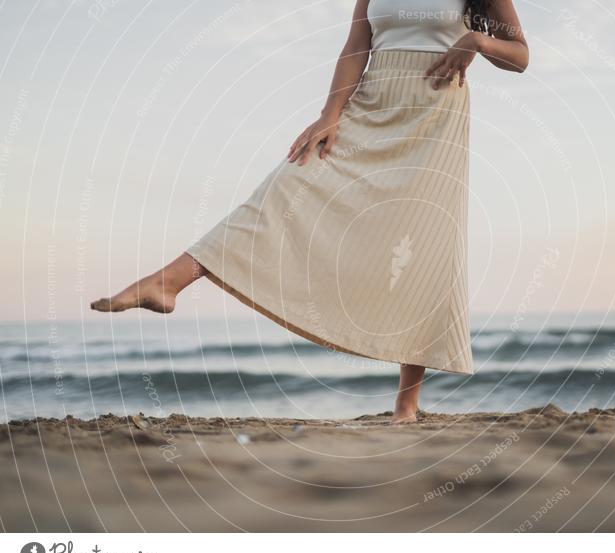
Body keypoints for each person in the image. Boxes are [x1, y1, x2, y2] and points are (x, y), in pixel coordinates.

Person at [91, 0, 528, 424]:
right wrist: (330, 114)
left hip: (436, 119)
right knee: (290, 183)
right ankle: (168, 282)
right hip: (372, 104)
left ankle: (406, 404)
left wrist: (478, 42)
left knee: (421, 243)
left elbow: (520, 56)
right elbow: (357, 46)